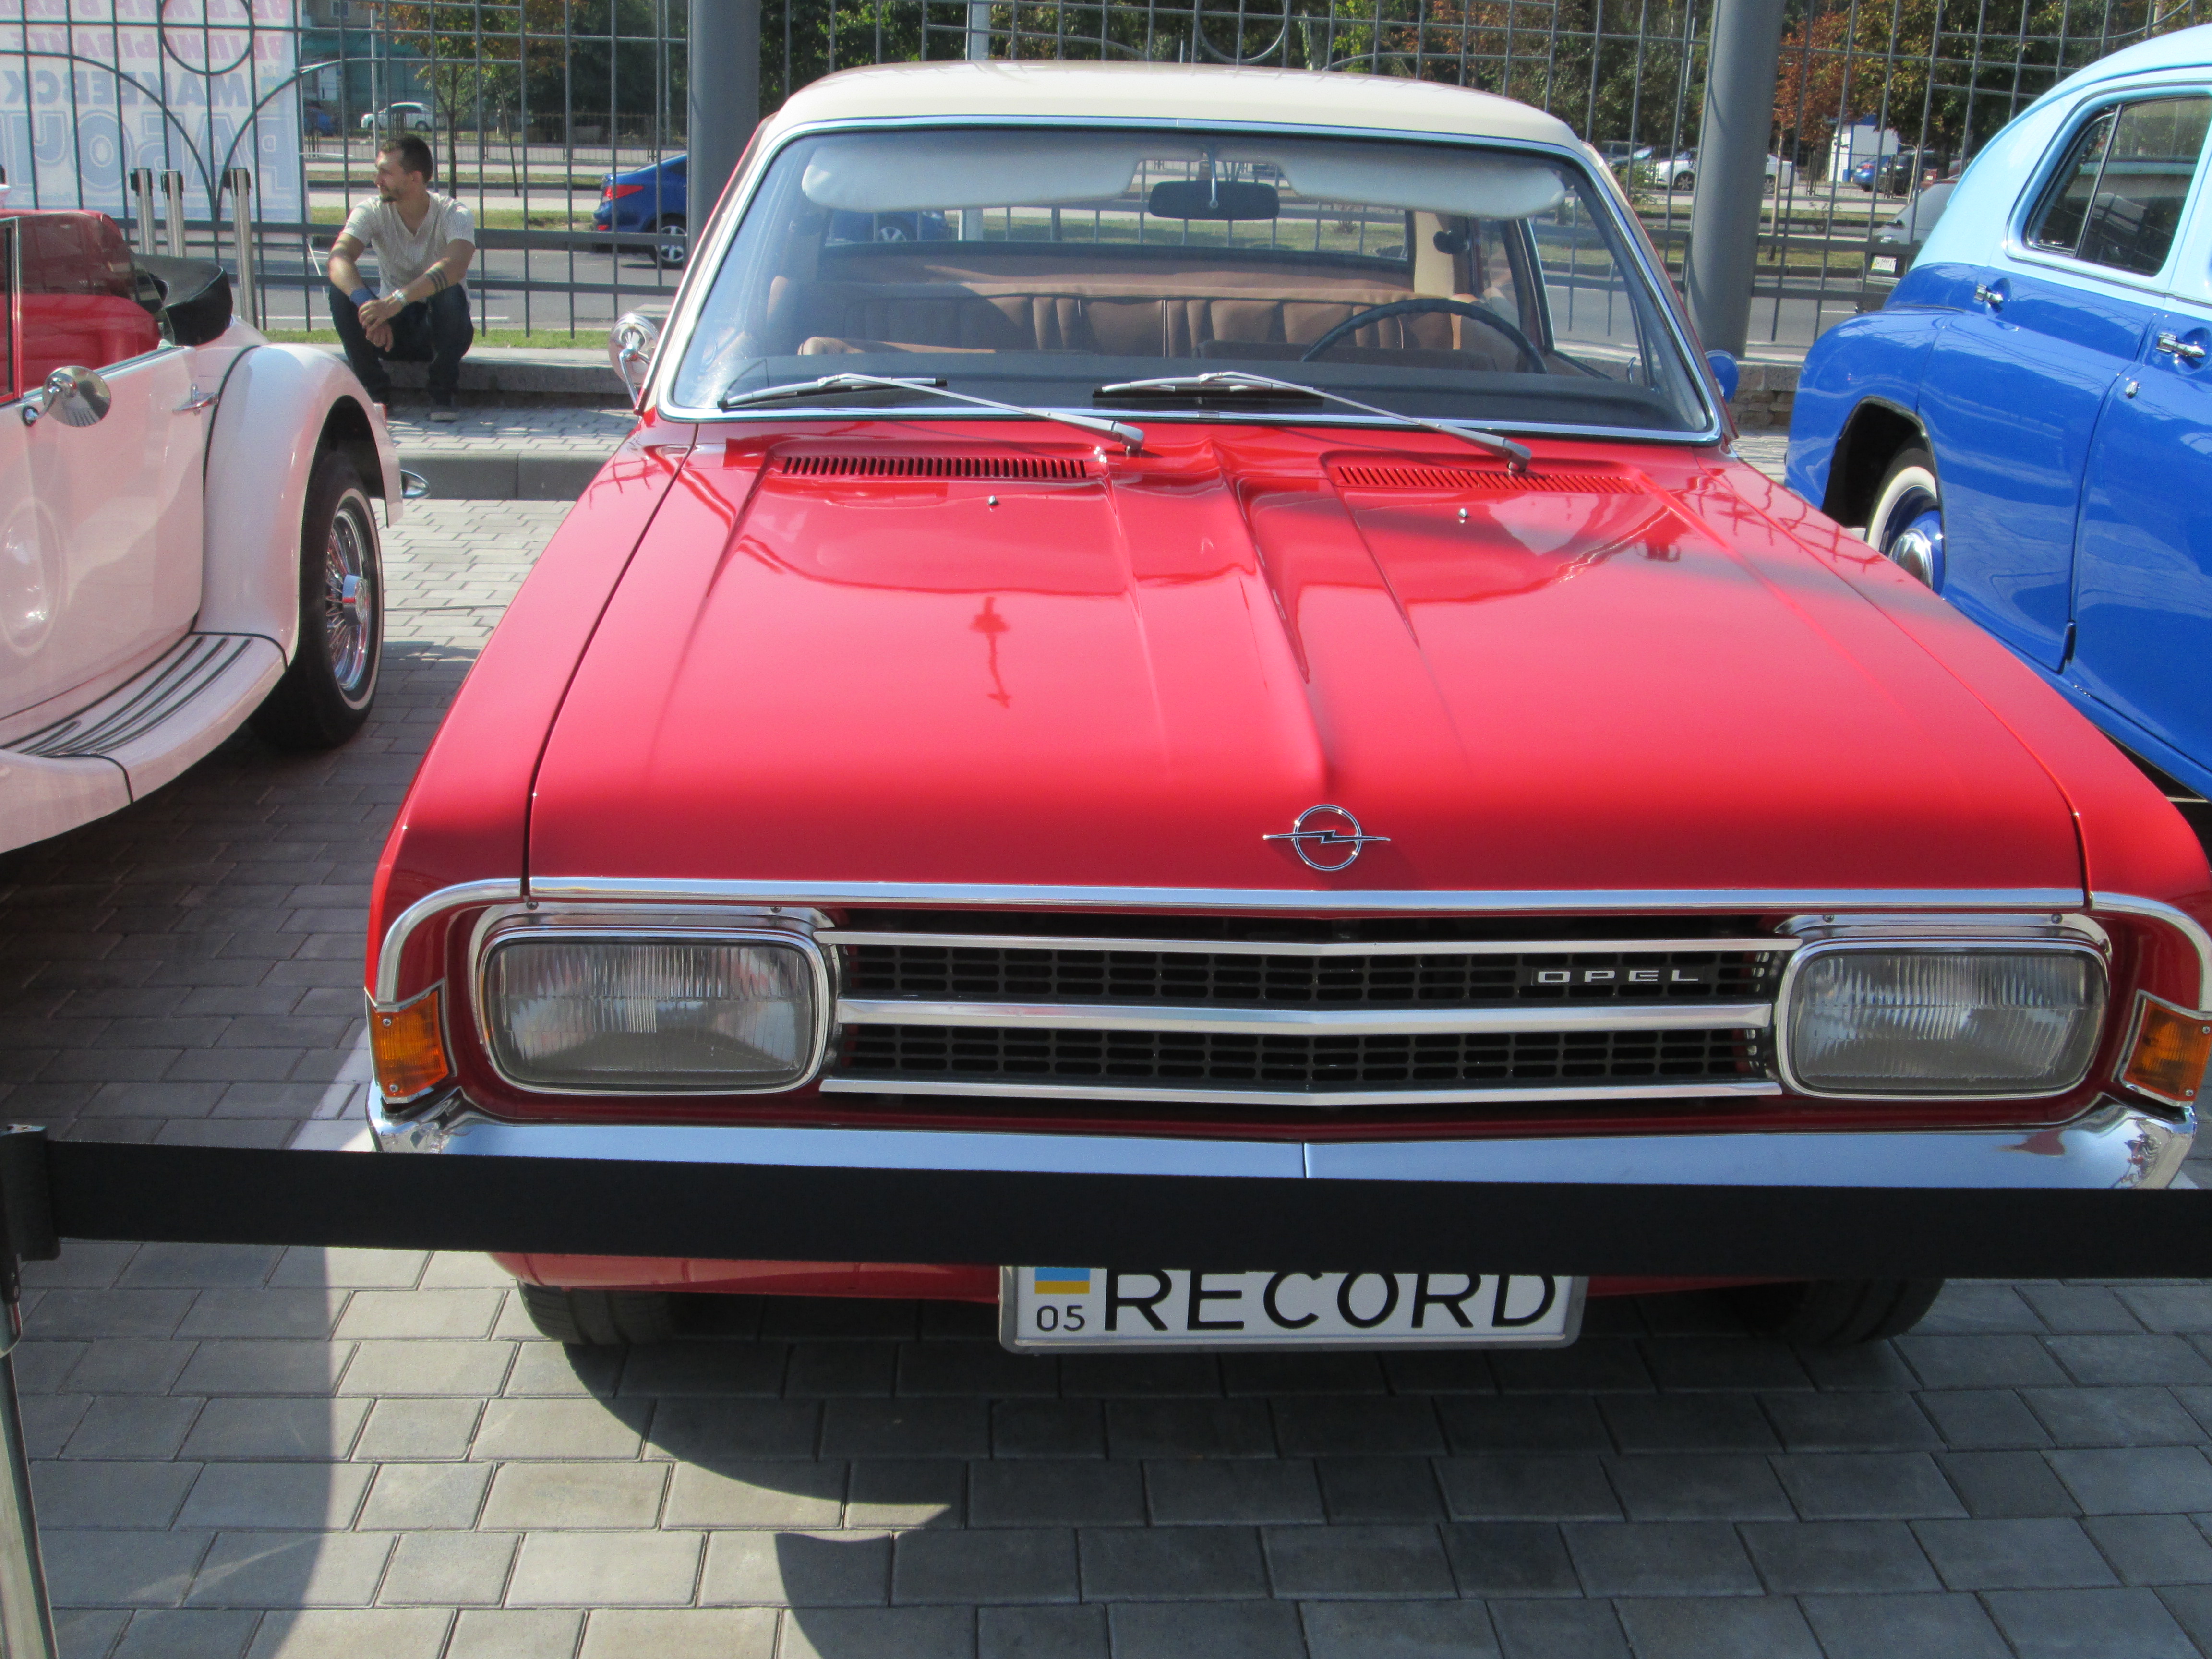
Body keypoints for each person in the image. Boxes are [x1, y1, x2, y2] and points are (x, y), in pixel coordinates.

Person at [326, 135, 476, 421]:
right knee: (341, 292)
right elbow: (338, 259)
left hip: (441, 331)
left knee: (450, 292)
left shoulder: (454, 213)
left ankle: (443, 394)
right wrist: (368, 307)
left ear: (414, 178)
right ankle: (375, 394)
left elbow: (455, 266)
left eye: (386, 172)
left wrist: (396, 301)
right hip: (389, 331)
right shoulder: (371, 210)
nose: (377, 180)